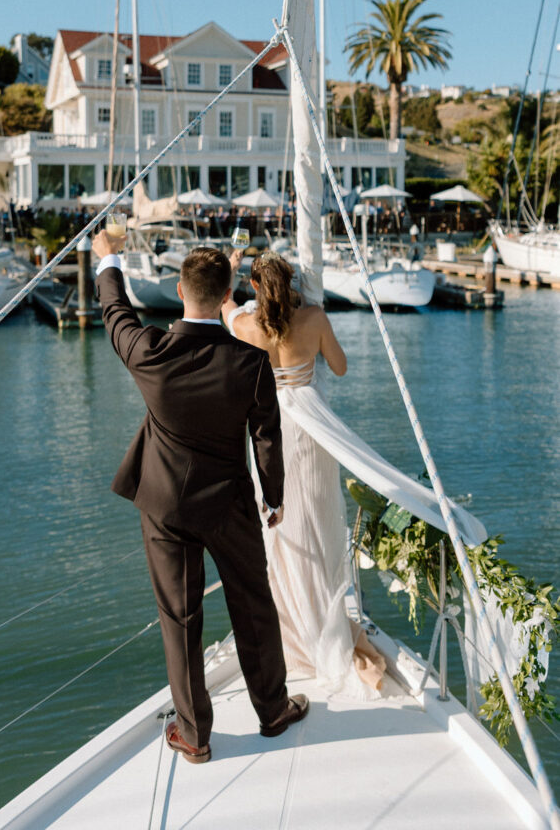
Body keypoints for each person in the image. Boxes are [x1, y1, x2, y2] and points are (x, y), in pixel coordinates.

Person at [92, 233, 309, 765]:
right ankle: (273, 712)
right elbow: (267, 435)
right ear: (229, 290)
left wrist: (109, 258)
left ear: (177, 289)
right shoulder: (251, 363)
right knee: (252, 605)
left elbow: (115, 310)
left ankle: (194, 736)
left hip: (163, 504)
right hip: (230, 504)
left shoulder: (149, 352)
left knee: (180, 618)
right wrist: (274, 495)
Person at [222, 250, 386, 698]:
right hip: (313, 434)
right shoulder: (313, 317)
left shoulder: (247, 327)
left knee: (282, 533)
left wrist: (233, 267)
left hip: (272, 438)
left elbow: (224, 306)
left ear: (256, 286)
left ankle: (293, 629)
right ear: (292, 282)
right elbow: (340, 366)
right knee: (319, 525)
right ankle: (326, 619)